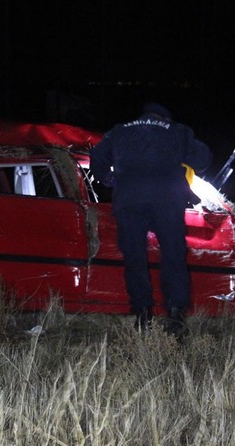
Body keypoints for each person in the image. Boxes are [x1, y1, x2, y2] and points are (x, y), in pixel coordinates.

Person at [89, 102, 212, 335]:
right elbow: (203, 158)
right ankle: (175, 313)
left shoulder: (120, 130)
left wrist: (109, 180)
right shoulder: (176, 131)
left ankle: (143, 312)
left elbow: (97, 158)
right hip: (167, 201)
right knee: (173, 256)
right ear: (165, 117)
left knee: (135, 257)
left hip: (129, 201)